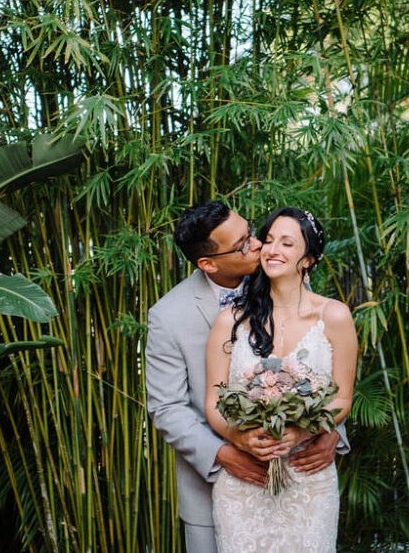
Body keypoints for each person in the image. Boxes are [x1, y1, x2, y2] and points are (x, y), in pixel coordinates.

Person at [146, 201, 342, 552]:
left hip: (300, 476)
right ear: (208, 263)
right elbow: (167, 408)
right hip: (218, 487)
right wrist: (225, 452)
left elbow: (321, 363)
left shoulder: (282, 272)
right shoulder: (169, 315)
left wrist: (329, 430)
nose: (258, 245)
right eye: (242, 245)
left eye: (251, 233)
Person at [204, 207, 358, 553]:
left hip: (308, 477)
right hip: (245, 482)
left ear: (309, 259)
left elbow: (342, 399)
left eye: (287, 243)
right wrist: (241, 438)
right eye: (269, 240)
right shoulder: (230, 319)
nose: (272, 250)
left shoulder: (334, 316)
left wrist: (302, 431)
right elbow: (213, 402)